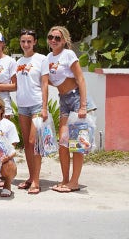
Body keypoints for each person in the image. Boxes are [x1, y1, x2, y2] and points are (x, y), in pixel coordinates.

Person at [41, 26, 96, 193]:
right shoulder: (48, 57)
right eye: (51, 37)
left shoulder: (68, 55)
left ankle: (74, 182)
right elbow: (52, 80)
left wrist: (83, 106)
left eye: (57, 38)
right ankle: (65, 179)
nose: (53, 40)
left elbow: (80, 79)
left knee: (77, 143)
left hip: (76, 99)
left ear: (64, 40)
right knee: (63, 143)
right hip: (64, 100)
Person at [15, 29, 48, 195]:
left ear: (35, 42)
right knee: (27, 143)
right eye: (23, 41)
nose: (26, 44)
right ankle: (30, 177)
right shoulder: (18, 61)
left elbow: (44, 84)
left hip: (36, 105)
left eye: (29, 41)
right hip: (22, 106)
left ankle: (36, 180)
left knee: (34, 141)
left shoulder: (42, 59)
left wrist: (44, 107)